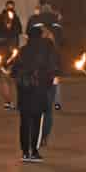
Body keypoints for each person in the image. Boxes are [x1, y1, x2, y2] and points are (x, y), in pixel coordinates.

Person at [11, 22, 60, 162]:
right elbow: (52, 68)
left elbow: (14, 71)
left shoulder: (22, 50)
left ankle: (25, 152)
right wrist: (49, 83)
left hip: (24, 91)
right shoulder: (47, 49)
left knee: (25, 122)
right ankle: (35, 151)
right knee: (37, 121)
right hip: (39, 90)